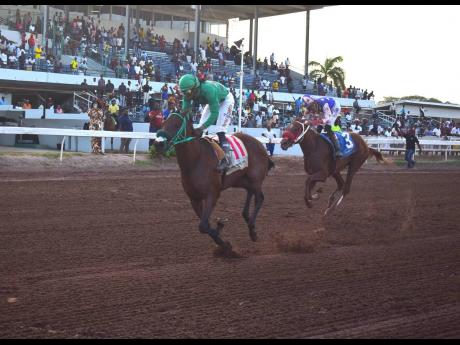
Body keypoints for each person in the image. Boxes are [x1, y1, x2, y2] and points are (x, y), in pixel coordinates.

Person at [179, 74, 235, 172]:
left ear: (194, 88)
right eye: (184, 93)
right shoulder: (189, 92)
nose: (186, 96)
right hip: (213, 101)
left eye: (187, 92)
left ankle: (226, 159)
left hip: (226, 100)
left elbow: (214, 114)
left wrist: (201, 129)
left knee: (220, 129)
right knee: (200, 127)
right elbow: (185, 113)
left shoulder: (208, 90)